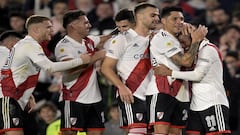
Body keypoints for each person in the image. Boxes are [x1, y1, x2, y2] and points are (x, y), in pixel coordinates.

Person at [0, 15, 92, 135]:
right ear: (36, 30)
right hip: (9, 98)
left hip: (13, 97)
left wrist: (28, 93)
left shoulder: (25, 45)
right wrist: (81, 60)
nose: (52, 30)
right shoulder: (30, 45)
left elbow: (13, 72)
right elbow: (50, 67)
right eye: (48, 27)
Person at [146, 6, 207, 135]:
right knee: (160, 132)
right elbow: (185, 61)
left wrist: (192, 37)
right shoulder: (162, 37)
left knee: (176, 132)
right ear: (163, 21)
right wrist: (196, 40)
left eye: (181, 19)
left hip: (181, 90)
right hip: (162, 89)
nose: (179, 22)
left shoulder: (179, 40)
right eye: (174, 19)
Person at [154, 33, 231, 135]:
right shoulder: (190, 54)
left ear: (193, 36)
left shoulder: (208, 49)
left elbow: (197, 75)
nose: (181, 45)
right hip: (195, 106)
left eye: (182, 41)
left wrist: (170, 73)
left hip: (212, 102)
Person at [101, 3, 159, 135]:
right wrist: (121, 87)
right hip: (132, 94)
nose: (122, 30)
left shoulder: (156, 38)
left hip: (154, 94)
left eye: (125, 26)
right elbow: (106, 68)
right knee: (136, 131)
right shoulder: (121, 39)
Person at [54, 10, 110, 135]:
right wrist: (96, 56)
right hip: (73, 98)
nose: (89, 25)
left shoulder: (88, 40)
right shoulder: (64, 47)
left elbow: (104, 39)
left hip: (95, 98)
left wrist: (123, 30)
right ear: (73, 26)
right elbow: (70, 69)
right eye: (85, 23)